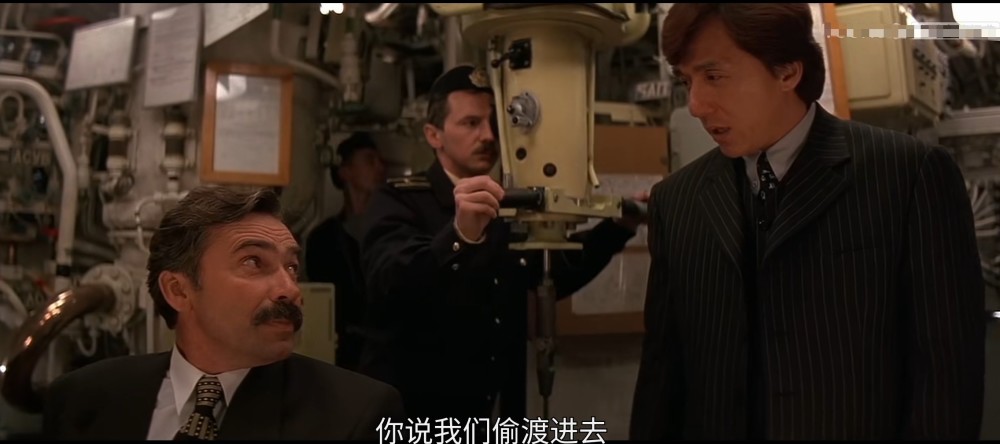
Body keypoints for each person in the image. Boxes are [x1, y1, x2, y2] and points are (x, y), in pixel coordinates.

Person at [630, 3, 985, 441]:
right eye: (687, 81)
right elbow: (661, 381)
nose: (697, 105)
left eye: (714, 76)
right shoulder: (677, 201)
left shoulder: (908, 176)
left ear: (787, 71)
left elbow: (947, 376)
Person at [358, 65, 648, 422]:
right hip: (415, 416)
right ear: (434, 135)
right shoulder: (400, 199)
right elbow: (391, 281)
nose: (488, 135)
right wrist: (459, 236)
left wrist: (618, 228)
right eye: (470, 123)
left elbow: (551, 271)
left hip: (491, 413)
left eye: (495, 123)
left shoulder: (507, 205)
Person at [42, 185, 405, 440]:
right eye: (254, 262)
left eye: (292, 267)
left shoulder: (357, 416)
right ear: (179, 291)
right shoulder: (81, 400)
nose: (291, 289)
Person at [306, 131, 387, 371]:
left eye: (380, 161)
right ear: (345, 172)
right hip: (343, 356)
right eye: (370, 160)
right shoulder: (323, 238)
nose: (380, 168)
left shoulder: (393, 232)